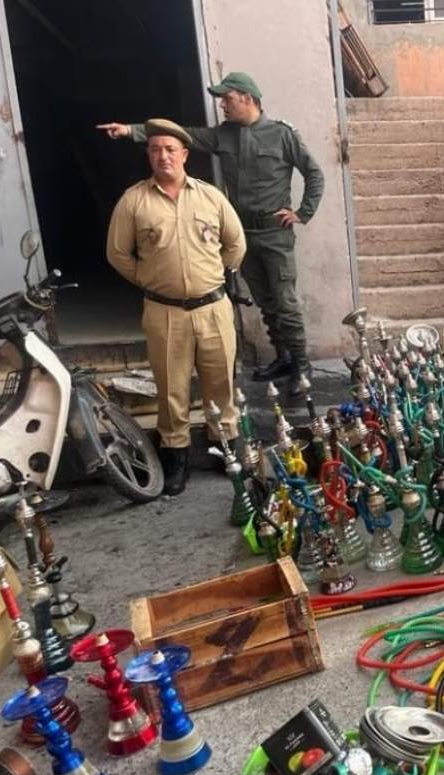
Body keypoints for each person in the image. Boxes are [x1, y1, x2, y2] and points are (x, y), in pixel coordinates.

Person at [98, 72, 324, 393]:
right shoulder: (223, 135)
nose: (222, 105)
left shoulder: (281, 135)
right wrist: (130, 131)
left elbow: (314, 173)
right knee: (265, 301)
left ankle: (301, 366)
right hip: (243, 233)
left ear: (247, 98)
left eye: (227, 99)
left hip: (275, 234)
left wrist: (303, 213)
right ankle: (283, 357)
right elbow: (182, 136)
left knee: (285, 302)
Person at [106, 118, 246, 496]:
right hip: (164, 311)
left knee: (221, 383)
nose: (163, 156)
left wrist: (216, 274)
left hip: (213, 307)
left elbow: (236, 243)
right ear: (148, 155)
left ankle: (225, 449)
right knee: (171, 389)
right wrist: (149, 279)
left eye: (170, 149)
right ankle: (175, 457)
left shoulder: (210, 197)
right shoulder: (134, 200)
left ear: (184, 154)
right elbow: (118, 254)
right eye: (155, 150)